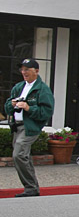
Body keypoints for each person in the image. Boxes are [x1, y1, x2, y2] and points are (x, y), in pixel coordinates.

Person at [4, 59, 55, 198]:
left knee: (18, 154)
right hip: (17, 127)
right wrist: (12, 104)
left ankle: (30, 187)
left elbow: (47, 112)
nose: (23, 72)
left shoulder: (43, 89)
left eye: (27, 69)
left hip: (30, 127)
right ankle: (32, 188)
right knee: (22, 156)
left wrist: (28, 107)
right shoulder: (18, 87)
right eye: (22, 69)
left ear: (36, 71)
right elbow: (7, 107)